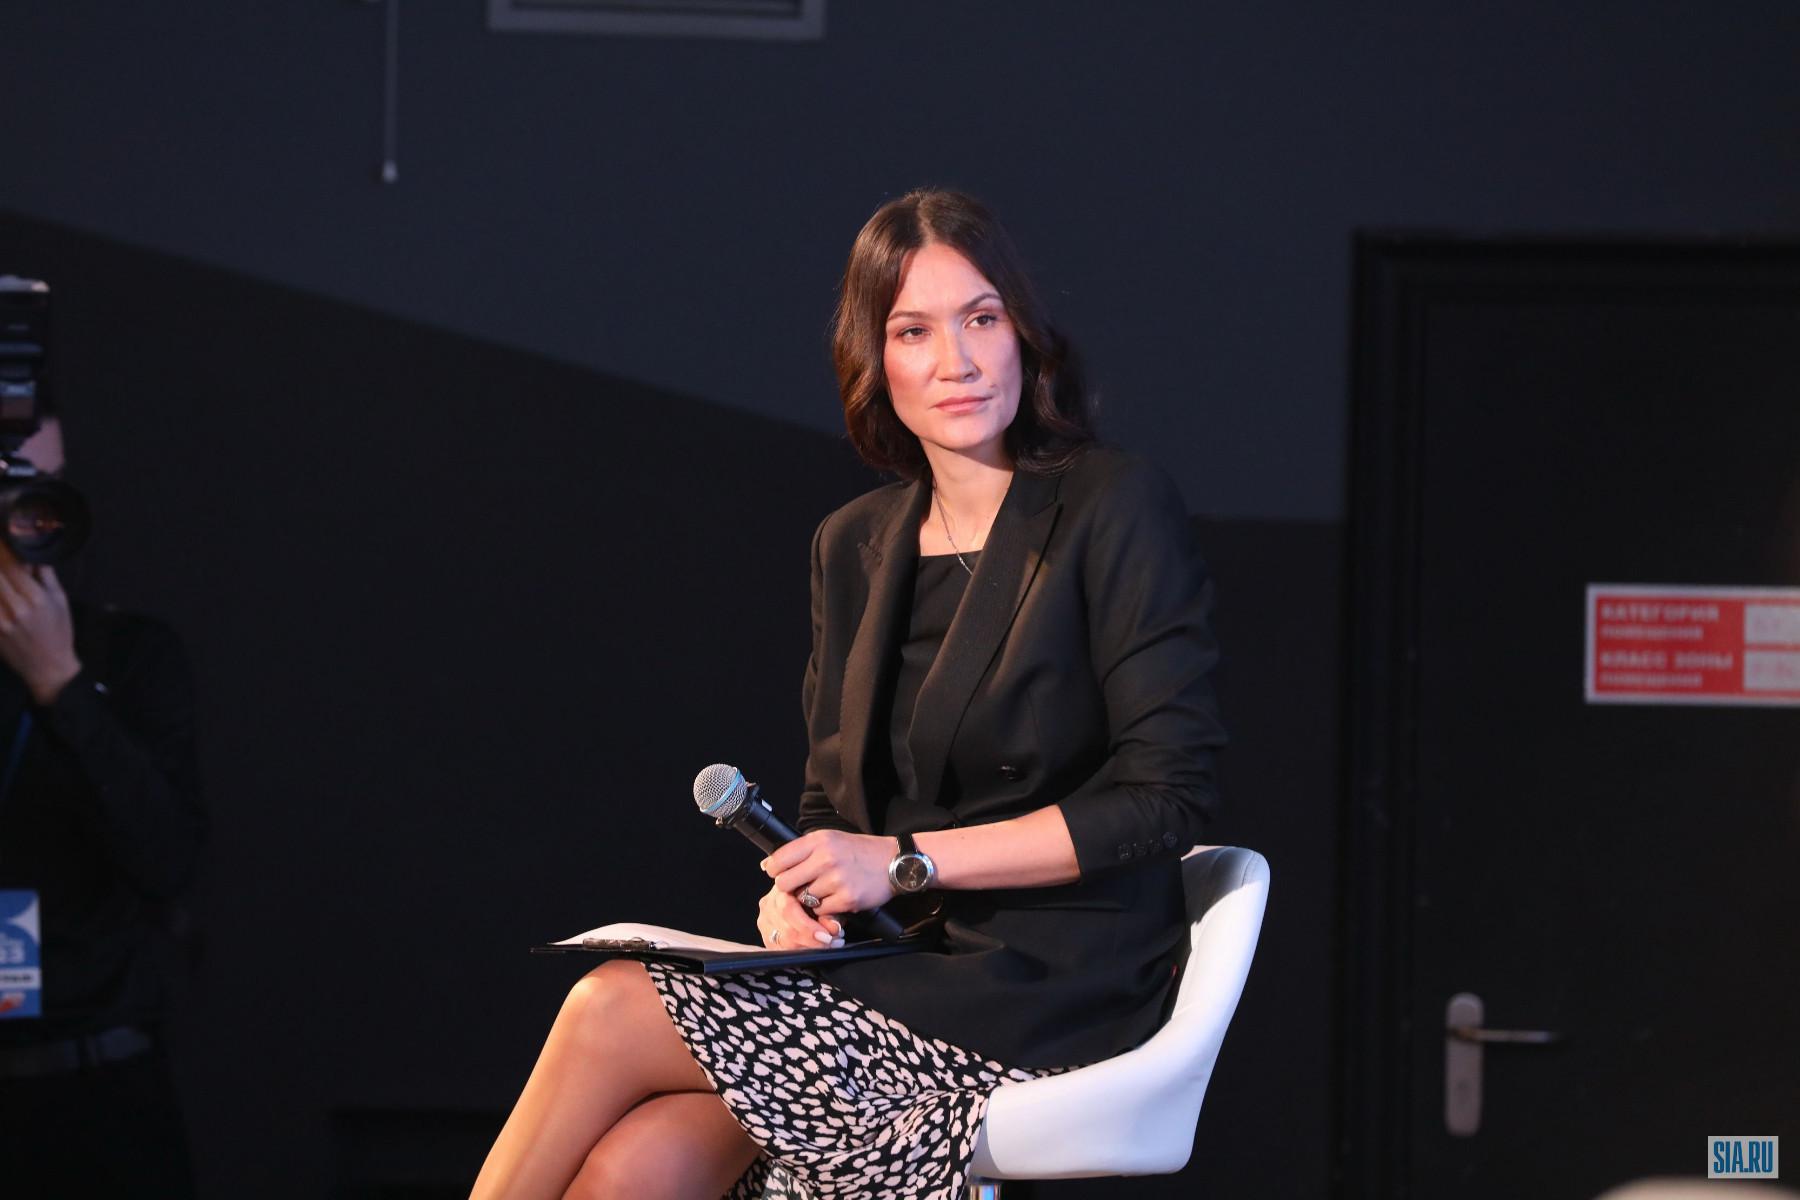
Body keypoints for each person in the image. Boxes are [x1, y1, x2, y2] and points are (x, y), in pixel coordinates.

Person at [472, 188, 1224, 1200]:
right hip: (892, 962)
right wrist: (799, 893)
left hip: (1054, 980)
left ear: (1024, 336)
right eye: (914, 331)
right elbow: (831, 802)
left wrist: (905, 862)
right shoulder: (854, 544)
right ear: (876, 362)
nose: (957, 361)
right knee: (641, 1160)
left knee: (609, 1008)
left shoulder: (1112, 504)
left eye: (982, 318)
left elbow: (1167, 799)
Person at [0, 411, 205, 1197]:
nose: (23, 514)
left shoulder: (128, 655)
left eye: (38, 490)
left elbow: (169, 863)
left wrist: (61, 684)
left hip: (100, 1093)